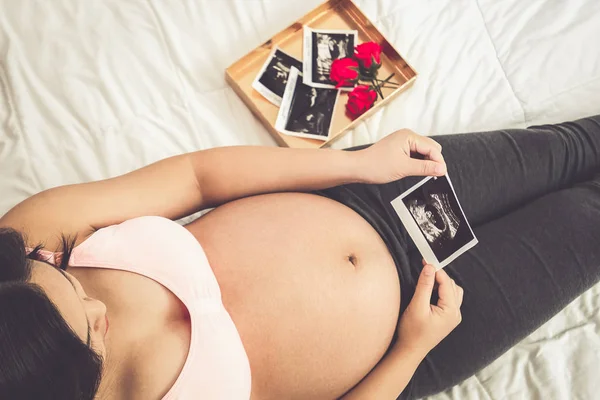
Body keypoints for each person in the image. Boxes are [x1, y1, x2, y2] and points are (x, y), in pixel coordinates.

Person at [1, 115, 600, 400]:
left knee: (570, 148)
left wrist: (356, 165)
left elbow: (195, 176)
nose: (96, 299)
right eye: (90, 327)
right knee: (589, 224)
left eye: (61, 273)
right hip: (421, 335)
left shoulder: (22, 242)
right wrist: (414, 348)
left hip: (371, 196)